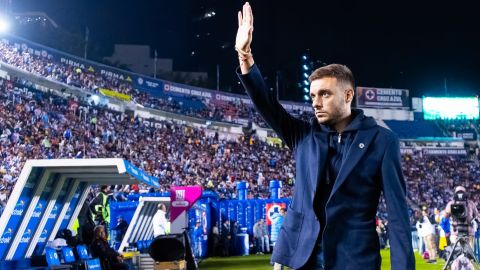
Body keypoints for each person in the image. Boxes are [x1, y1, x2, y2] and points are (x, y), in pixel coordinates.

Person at [234, 3, 414, 269]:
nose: (315, 102)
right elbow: (267, 105)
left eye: (324, 94)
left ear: (348, 96)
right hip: (303, 259)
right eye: (312, 96)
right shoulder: (303, 136)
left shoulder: (382, 142)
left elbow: (398, 218)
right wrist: (245, 55)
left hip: (355, 261)